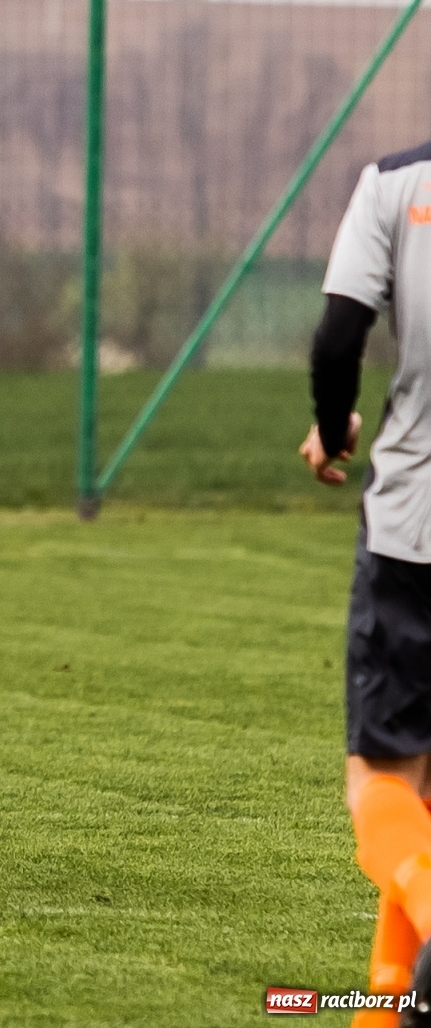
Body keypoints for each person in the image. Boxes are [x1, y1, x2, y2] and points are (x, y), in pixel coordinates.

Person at [301, 139, 431, 1027]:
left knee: (381, 782)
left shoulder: (396, 183)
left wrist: (333, 426)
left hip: (416, 529)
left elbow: (340, 333)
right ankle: (382, 1011)